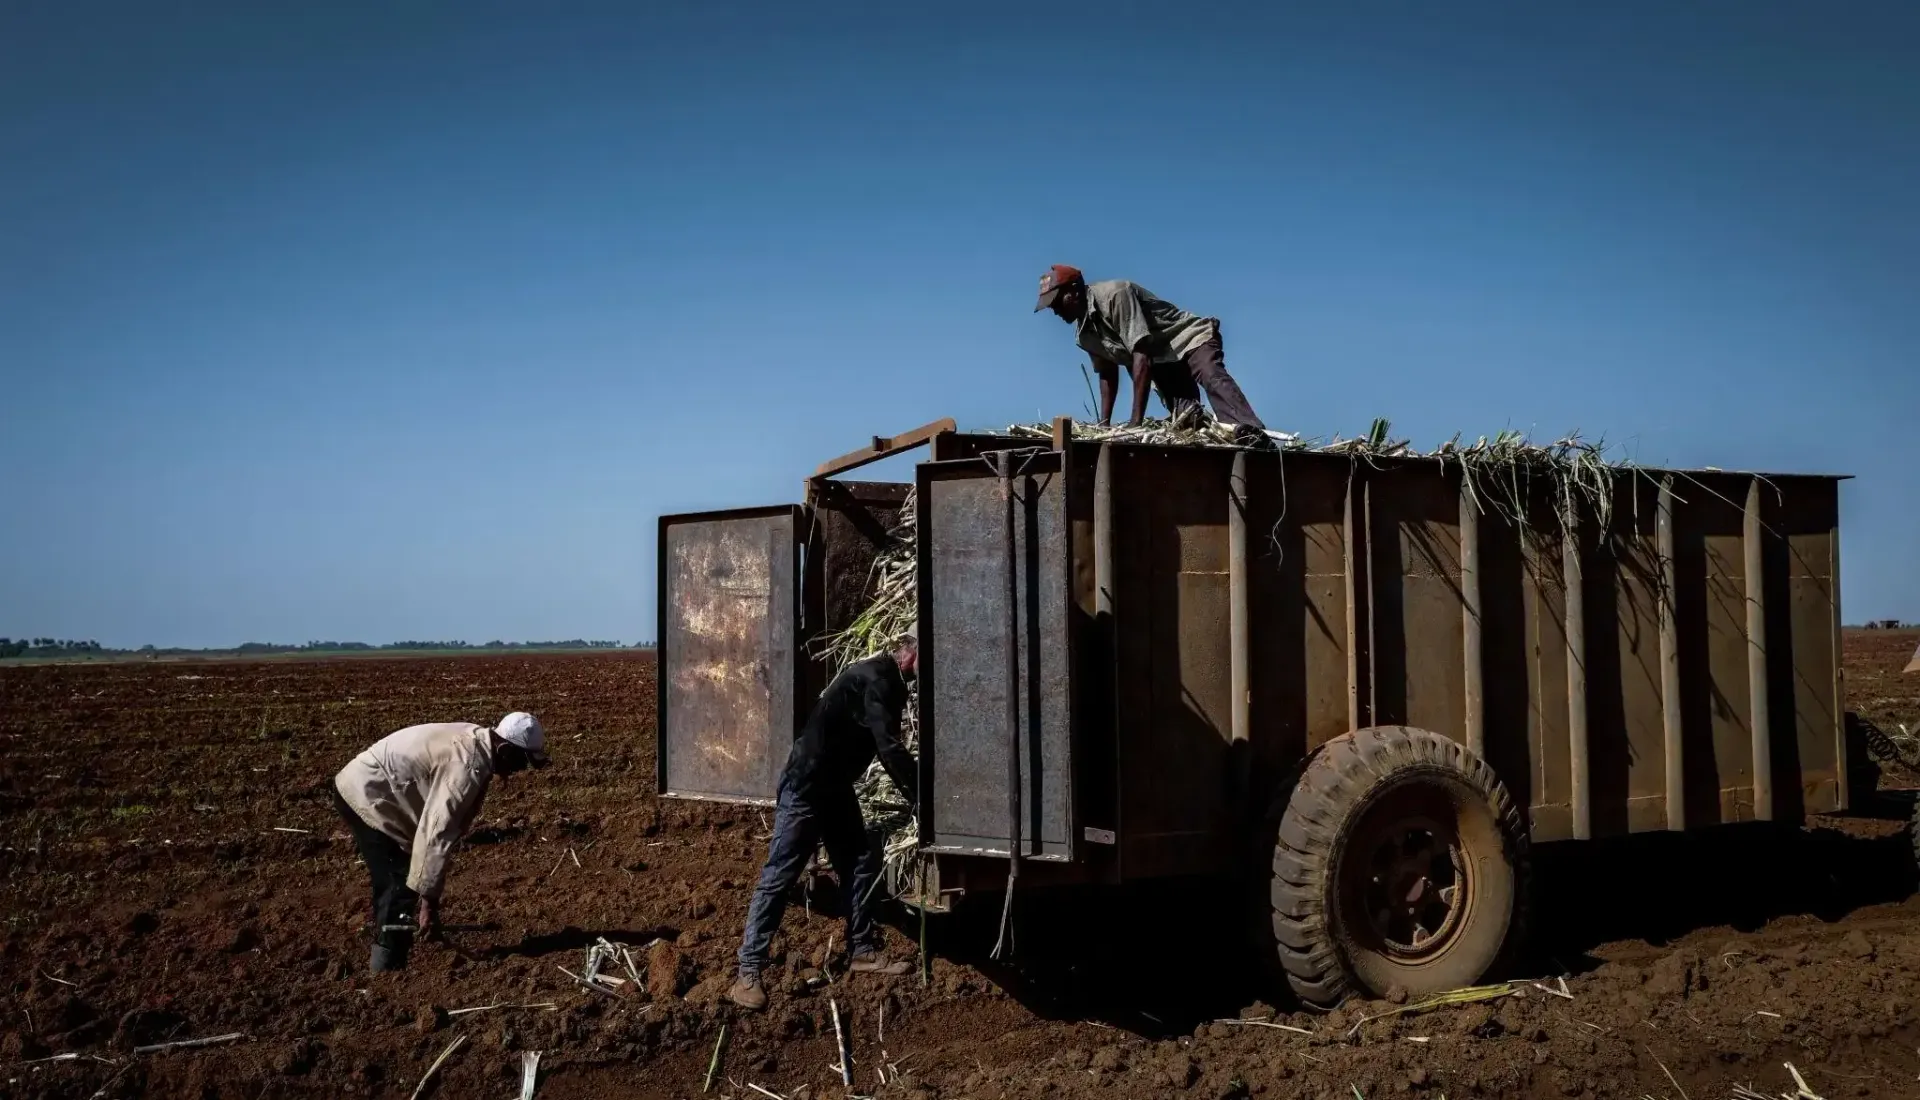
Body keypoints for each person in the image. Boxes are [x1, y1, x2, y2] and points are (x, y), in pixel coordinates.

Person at [730, 633, 921, 1011]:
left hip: (833, 786)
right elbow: (890, 748)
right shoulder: (878, 681)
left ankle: (862, 951)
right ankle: (747, 973)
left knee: (860, 860)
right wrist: (920, 796)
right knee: (780, 877)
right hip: (807, 785)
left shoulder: (884, 679)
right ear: (910, 655)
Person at [332, 712, 550, 972]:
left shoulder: (479, 744)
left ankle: (387, 944)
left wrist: (427, 896)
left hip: (379, 789)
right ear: (504, 749)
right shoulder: (467, 766)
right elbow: (437, 833)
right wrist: (430, 907)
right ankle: (387, 971)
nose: (519, 771)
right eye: (521, 762)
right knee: (398, 885)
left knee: (401, 876)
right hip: (368, 793)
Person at [1034, 264, 1267, 435]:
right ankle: (1213, 438)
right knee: (1187, 417)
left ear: (1074, 290)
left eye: (1057, 301)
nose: (1054, 310)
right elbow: (1107, 374)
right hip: (1162, 360)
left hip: (1188, 338)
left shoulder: (1116, 295)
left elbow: (1141, 355)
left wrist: (1137, 421)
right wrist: (1103, 425)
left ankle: (1250, 431)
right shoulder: (1084, 335)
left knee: (1210, 375)